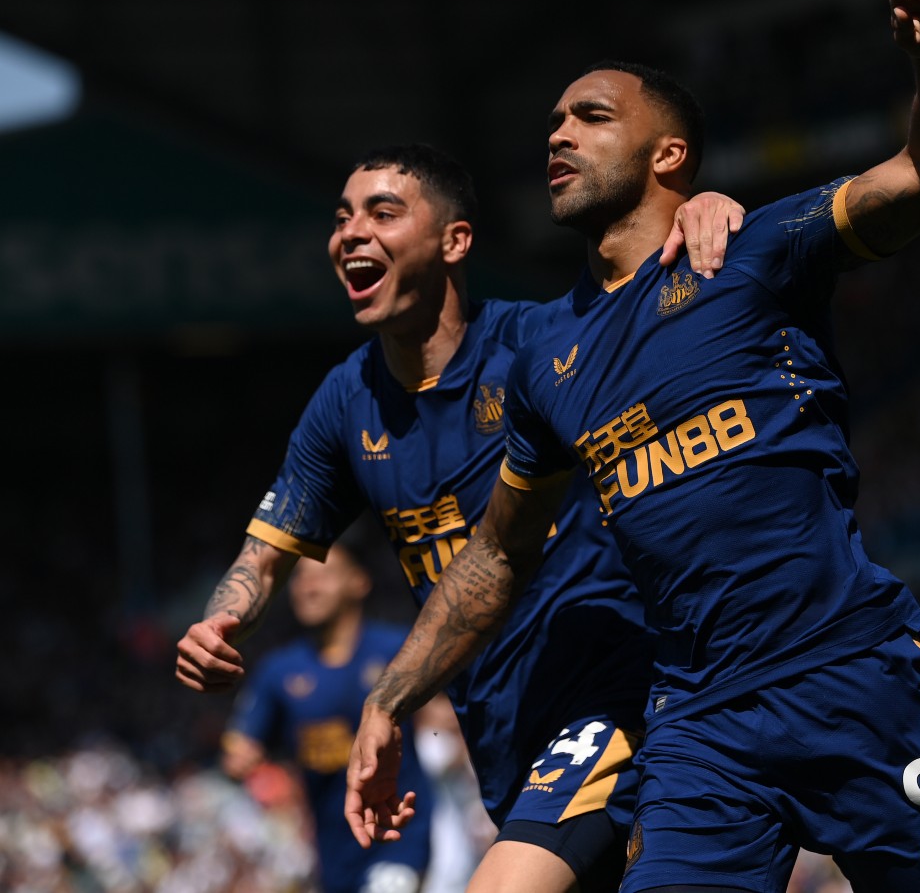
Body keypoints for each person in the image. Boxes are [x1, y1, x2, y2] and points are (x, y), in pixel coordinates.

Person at [345, 0, 920, 893]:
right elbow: (497, 556)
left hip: (848, 671)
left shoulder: (754, 254)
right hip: (699, 720)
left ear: (669, 156)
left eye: (591, 117)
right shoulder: (543, 357)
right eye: (553, 123)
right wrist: (389, 700)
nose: (559, 133)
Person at [174, 142, 745, 893]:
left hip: (618, 694)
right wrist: (220, 623)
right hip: (503, 736)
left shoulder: (537, 344)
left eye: (383, 212)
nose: (351, 232)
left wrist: (705, 210)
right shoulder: (346, 403)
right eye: (342, 217)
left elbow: (651, 307)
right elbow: (262, 556)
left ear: (455, 241)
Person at [220, 538, 436, 893]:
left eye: (322, 575)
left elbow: (449, 712)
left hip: (399, 836)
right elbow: (239, 747)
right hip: (331, 850)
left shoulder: (398, 649)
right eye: (300, 577)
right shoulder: (278, 671)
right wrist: (240, 758)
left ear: (358, 582)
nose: (308, 586)